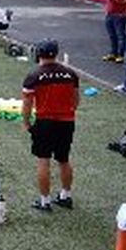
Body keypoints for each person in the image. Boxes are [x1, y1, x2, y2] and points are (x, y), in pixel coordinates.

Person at [21, 39, 79, 212]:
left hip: (45, 122)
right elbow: (76, 101)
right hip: (67, 122)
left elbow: (27, 104)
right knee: (63, 159)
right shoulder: (70, 74)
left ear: (39, 53)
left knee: (43, 160)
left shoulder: (34, 76)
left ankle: (45, 201)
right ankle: (65, 196)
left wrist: (26, 122)